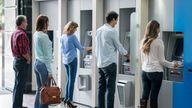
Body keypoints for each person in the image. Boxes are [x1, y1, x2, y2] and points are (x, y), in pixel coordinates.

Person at [140, 20, 179, 108]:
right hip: (155, 72)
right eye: (159, 28)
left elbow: (142, 60)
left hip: (144, 72)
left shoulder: (143, 41)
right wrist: (173, 64)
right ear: (156, 29)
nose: (159, 30)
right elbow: (162, 61)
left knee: (144, 95)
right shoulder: (158, 42)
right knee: (154, 97)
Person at [95, 11, 129, 108]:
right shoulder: (112, 31)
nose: (116, 23)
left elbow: (96, 47)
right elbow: (118, 46)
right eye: (116, 20)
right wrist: (127, 54)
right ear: (113, 19)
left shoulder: (99, 30)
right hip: (110, 64)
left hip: (100, 64)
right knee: (110, 90)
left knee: (101, 89)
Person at [60, 21, 91, 108]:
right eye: (75, 28)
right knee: (72, 80)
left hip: (65, 60)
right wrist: (92, 47)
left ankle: (66, 99)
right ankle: (70, 100)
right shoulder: (72, 37)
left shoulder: (62, 37)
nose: (76, 30)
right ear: (72, 28)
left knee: (68, 80)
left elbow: (62, 50)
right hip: (72, 60)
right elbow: (80, 48)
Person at [11, 15, 31, 108]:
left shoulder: (15, 33)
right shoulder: (22, 34)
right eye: (26, 21)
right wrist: (28, 59)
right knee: (20, 86)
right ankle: (17, 106)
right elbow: (23, 51)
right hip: (22, 62)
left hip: (16, 61)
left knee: (17, 85)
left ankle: (17, 105)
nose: (27, 23)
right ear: (22, 23)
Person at [33, 15, 53, 108]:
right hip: (43, 64)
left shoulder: (36, 34)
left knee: (39, 90)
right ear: (43, 23)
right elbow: (47, 56)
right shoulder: (44, 36)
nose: (48, 24)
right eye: (47, 22)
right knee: (45, 91)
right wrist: (50, 71)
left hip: (37, 63)